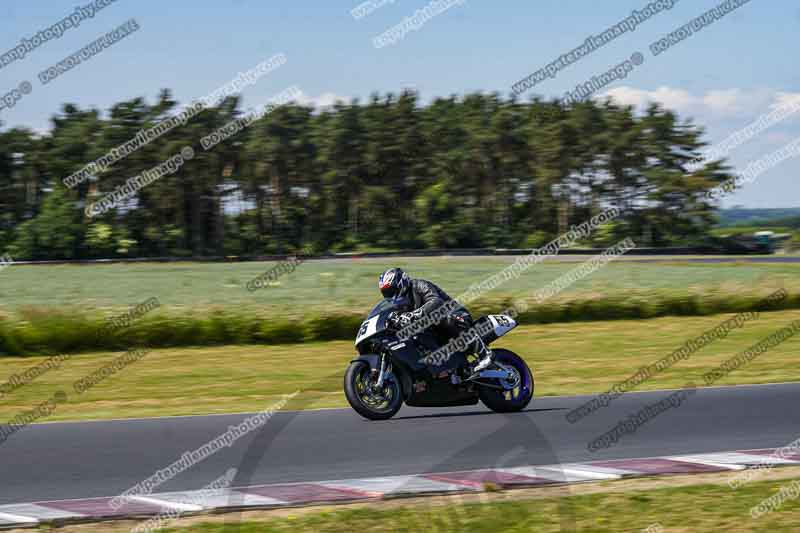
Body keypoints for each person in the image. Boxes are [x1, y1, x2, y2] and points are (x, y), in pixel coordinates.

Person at [377, 267, 493, 372]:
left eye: (391, 290)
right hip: (436, 329)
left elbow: (436, 301)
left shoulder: (419, 285)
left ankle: (484, 353)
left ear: (401, 283)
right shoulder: (401, 304)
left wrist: (415, 314)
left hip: (457, 316)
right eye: (386, 293)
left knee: (442, 318)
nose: (390, 295)